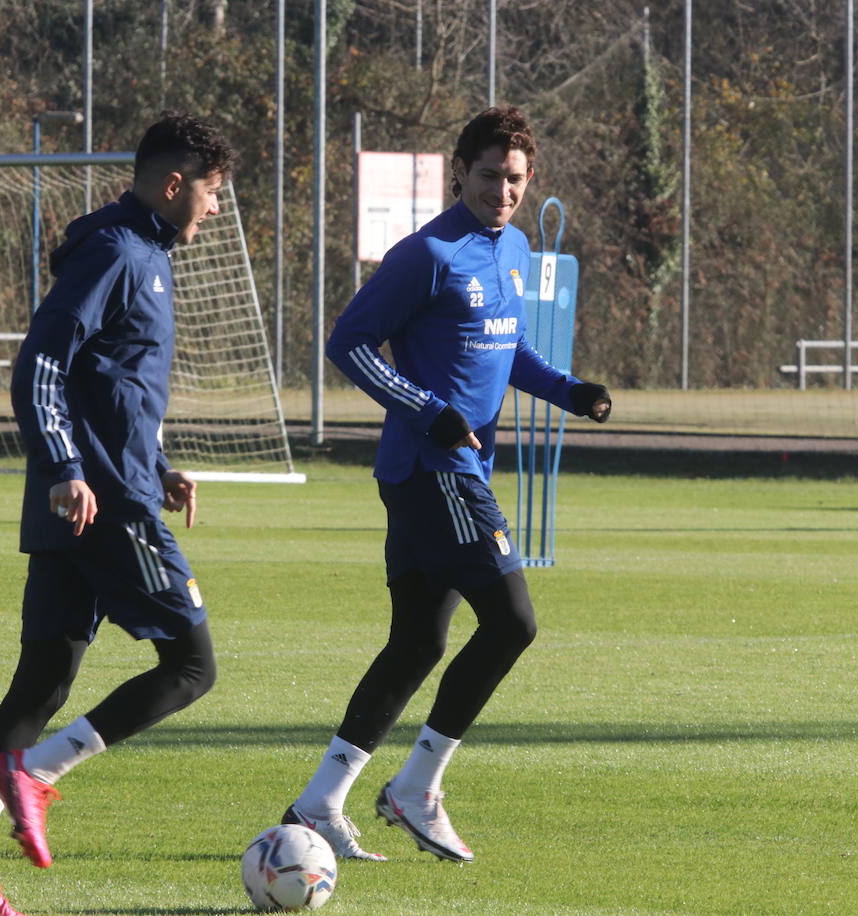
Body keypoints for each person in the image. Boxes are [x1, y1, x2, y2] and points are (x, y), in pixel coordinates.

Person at [282, 106, 612, 863]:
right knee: (512, 624)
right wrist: (428, 411)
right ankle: (416, 788)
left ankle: (318, 803)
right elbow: (348, 344)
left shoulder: (515, 248)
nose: (503, 191)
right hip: (433, 472)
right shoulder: (426, 254)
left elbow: (507, 347)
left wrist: (570, 390)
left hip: (446, 472)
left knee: (416, 644)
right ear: (459, 171)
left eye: (516, 179)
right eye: (490, 175)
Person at [0, 112, 235, 916]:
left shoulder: (144, 252)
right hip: (102, 502)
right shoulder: (116, 252)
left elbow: (107, 385)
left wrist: (157, 462)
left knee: (44, 678)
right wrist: (67, 466)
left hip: (101, 489)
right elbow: (42, 363)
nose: (212, 208)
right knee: (192, 666)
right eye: (208, 191)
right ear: (173, 184)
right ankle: (36, 772)